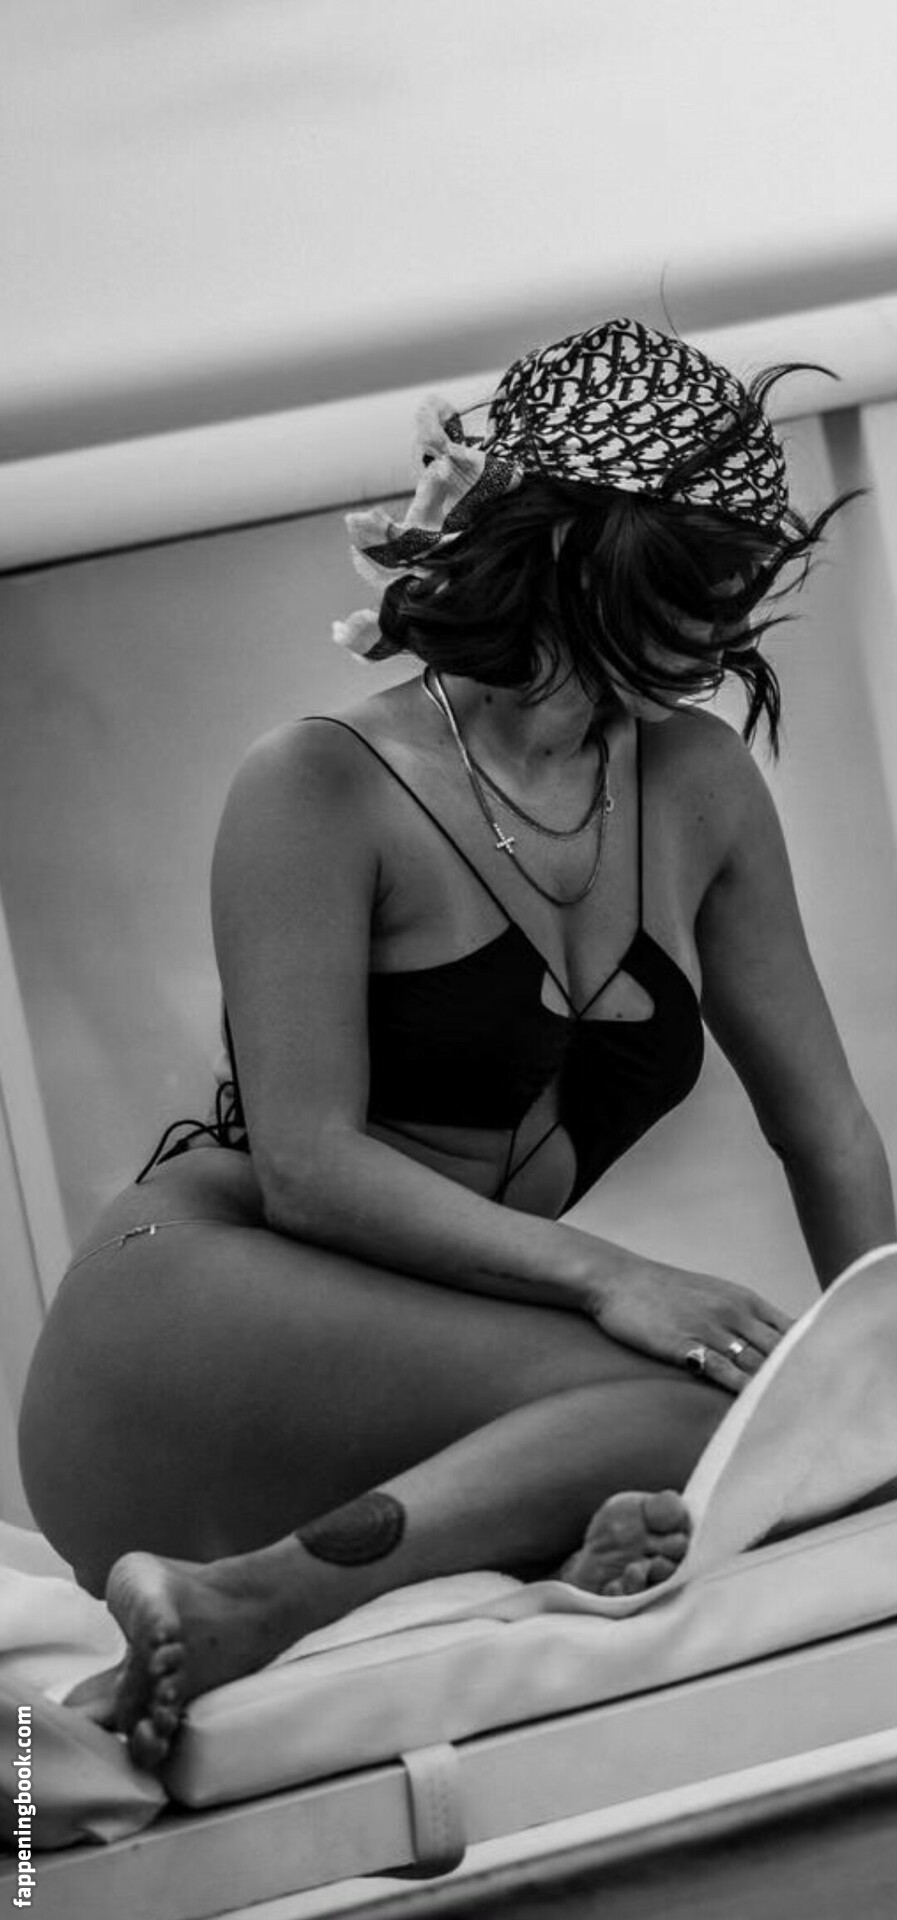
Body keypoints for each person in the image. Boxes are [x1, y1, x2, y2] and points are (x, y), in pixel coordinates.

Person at [18, 317, 895, 1770]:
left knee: (761, 1432)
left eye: (732, 594)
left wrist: (884, 1369)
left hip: (398, 1383)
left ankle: (478, 1550)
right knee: (697, 1400)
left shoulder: (697, 781)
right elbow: (307, 1169)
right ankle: (247, 1605)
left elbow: (827, 1129)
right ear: (574, 560)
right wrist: (615, 1275)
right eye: (685, 591)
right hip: (183, 1325)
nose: (713, 641)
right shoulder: (320, 784)